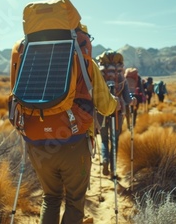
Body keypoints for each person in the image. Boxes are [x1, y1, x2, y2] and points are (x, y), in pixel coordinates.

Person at [25, 59, 119, 224]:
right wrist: (115, 103)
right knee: (75, 201)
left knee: (51, 197)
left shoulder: (29, 59)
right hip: (73, 143)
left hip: (36, 142)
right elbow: (105, 106)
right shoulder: (84, 61)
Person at [97, 63, 133, 177]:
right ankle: (113, 170)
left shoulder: (99, 76)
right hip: (117, 115)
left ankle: (105, 159)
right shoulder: (122, 78)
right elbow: (127, 99)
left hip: (101, 114)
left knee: (103, 140)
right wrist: (133, 100)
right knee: (114, 141)